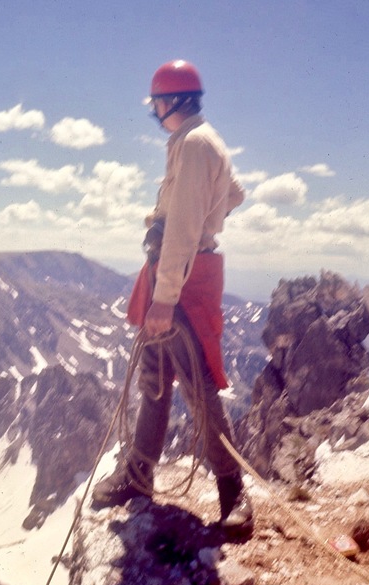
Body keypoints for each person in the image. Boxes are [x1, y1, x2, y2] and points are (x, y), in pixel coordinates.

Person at [91, 59, 253, 535]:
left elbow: (182, 229)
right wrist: (207, 213)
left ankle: (233, 491)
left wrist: (164, 298)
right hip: (181, 271)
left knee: (197, 386)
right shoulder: (198, 142)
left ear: (172, 101)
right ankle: (139, 476)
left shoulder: (196, 145)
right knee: (156, 377)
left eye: (158, 102)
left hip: (179, 277)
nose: (155, 110)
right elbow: (236, 193)